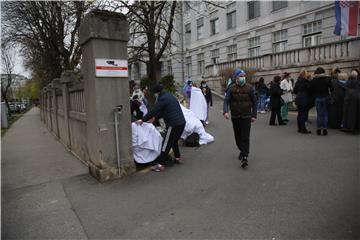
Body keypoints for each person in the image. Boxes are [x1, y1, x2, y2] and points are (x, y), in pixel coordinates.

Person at [136, 84, 186, 171]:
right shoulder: (170, 95)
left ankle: (160, 165)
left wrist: (143, 120)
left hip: (173, 124)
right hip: (181, 123)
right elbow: (164, 111)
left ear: (157, 93)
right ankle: (178, 158)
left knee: (165, 144)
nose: (155, 95)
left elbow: (154, 110)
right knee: (173, 141)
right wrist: (155, 118)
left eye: (155, 94)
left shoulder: (162, 99)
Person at [223, 68, 257, 168]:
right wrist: (225, 111)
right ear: (236, 78)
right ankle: (242, 150)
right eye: (240, 76)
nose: (243, 78)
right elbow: (226, 101)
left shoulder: (250, 88)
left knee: (245, 137)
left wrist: (254, 115)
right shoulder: (231, 88)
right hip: (235, 116)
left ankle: (245, 157)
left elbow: (255, 102)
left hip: (246, 116)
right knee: (238, 137)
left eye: (244, 76)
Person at [310, 67, 333, 136]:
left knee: (319, 114)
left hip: (317, 98)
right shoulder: (327, 79)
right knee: (325, 113)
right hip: (325, 97)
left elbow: (311, 90)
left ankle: (319, 129)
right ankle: (325, 129)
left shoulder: (313, 80)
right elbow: (332, 88)